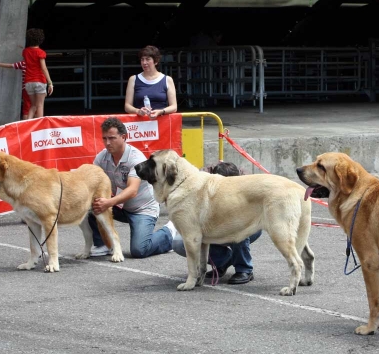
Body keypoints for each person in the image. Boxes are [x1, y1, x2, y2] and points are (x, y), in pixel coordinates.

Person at [88, 117, 176, 258]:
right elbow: (91, 181)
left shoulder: (136, 158)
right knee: (91, 205)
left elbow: (132, 190)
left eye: (112, 138)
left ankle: (169, 233)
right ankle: (102, 244)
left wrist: (108, 203)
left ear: (124, 137)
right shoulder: (101, 158)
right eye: (104, 138)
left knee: (139, 250)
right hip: (120, 206)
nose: (107, 143)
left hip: (143, 209)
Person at [171, 162, 261, 285]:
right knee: (179, 243)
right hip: (213, 224)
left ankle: (244, 269)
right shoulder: (200, 178)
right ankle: (223, 261)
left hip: (249, 224)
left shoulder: (248, 181)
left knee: (237, 225)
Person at [124, 45, 177, 119]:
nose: (144, 62)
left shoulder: (167, 79)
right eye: (142, 59)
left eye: (148, 59)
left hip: (162, 123)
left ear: (156, 61)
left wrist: (160, 111)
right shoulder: (133, 79)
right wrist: (138, 111)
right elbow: (127, 106)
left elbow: (174, 107)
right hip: (140, 124)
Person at [22, 28, 53, 119]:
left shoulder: (25, 51)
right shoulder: (41, 52)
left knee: (33, 106)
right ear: (40, 39)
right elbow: (43, 68)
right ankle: (40, 127)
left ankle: (28, 124)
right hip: (39, 81)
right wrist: (50, 82)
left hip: (28, 81)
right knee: (40, 105)